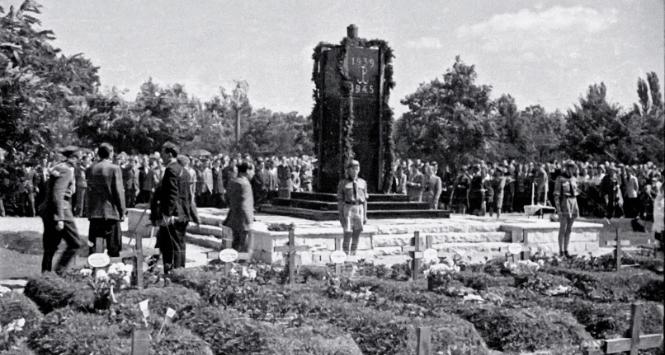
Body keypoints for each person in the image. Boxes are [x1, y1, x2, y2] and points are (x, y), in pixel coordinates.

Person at [151, 143, 199, 273]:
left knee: (170, 246)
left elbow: (172, 194)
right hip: (183, 215)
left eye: (163, 153)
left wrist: (167, 214)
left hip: (173, 216)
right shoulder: (185, 172)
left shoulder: (171, 170)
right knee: (179, 246)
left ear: (170, 154)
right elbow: (188, 197)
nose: (162, 157)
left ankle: (173, 273)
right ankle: (179, 271)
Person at [38, 146, 83, 273]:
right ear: (73, 158)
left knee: (50, 247)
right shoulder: (66, 170)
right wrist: (60, 218)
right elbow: (58, 193)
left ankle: (45, 275)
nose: (80, 161)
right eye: (79, 158)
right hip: (61, 209)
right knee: (75, 243)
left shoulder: (59, 167)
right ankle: (59, 271)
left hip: (50, 210)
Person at [85, 143, 126, 257]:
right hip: (111, 212)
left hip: (95, 213)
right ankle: (113, 272)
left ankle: (92, 272)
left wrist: (88, 211)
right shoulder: (114, 168)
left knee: (94, 249)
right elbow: (118, 192)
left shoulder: (91, 168)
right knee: (114, 247)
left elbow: (89, 191)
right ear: (111, 153)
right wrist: (122, 211)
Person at [337, 160, 368, 255]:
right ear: (348, 170)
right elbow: (340, 200)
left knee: (357, 234)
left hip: (359, 208)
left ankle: (353, 255)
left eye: (357, 169)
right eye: (353, 169)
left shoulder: (363, 182)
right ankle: (345, 256)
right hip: (348, 208)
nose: (355, 171)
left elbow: (365, 200)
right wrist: (341, 214)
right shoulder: (343, 183)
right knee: (347, 233)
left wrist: (365, 215)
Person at [223, 161, 255, 252]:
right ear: (247, 171)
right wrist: (249, 220)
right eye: (252, 170)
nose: (253, 173)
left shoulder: (232, 181)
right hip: (243, 218)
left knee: (235, 242)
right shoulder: (245, 184)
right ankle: (241, 262)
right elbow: (245, 204)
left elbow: (227, 199)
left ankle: (232, 260)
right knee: (244, 244)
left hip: (233, 215)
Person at [553, 161, 579, 258]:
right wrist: (558, 209)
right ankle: (561, 251)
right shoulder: (560, 179)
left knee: (569, 228)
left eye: (574, 167)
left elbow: (576, 191)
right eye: (571, 167)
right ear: (567, 168)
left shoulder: (574, 179)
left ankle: (566, 250)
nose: (573, 169)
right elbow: (556, 195)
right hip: (564, 202)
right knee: (563, 228)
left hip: (573, 202)